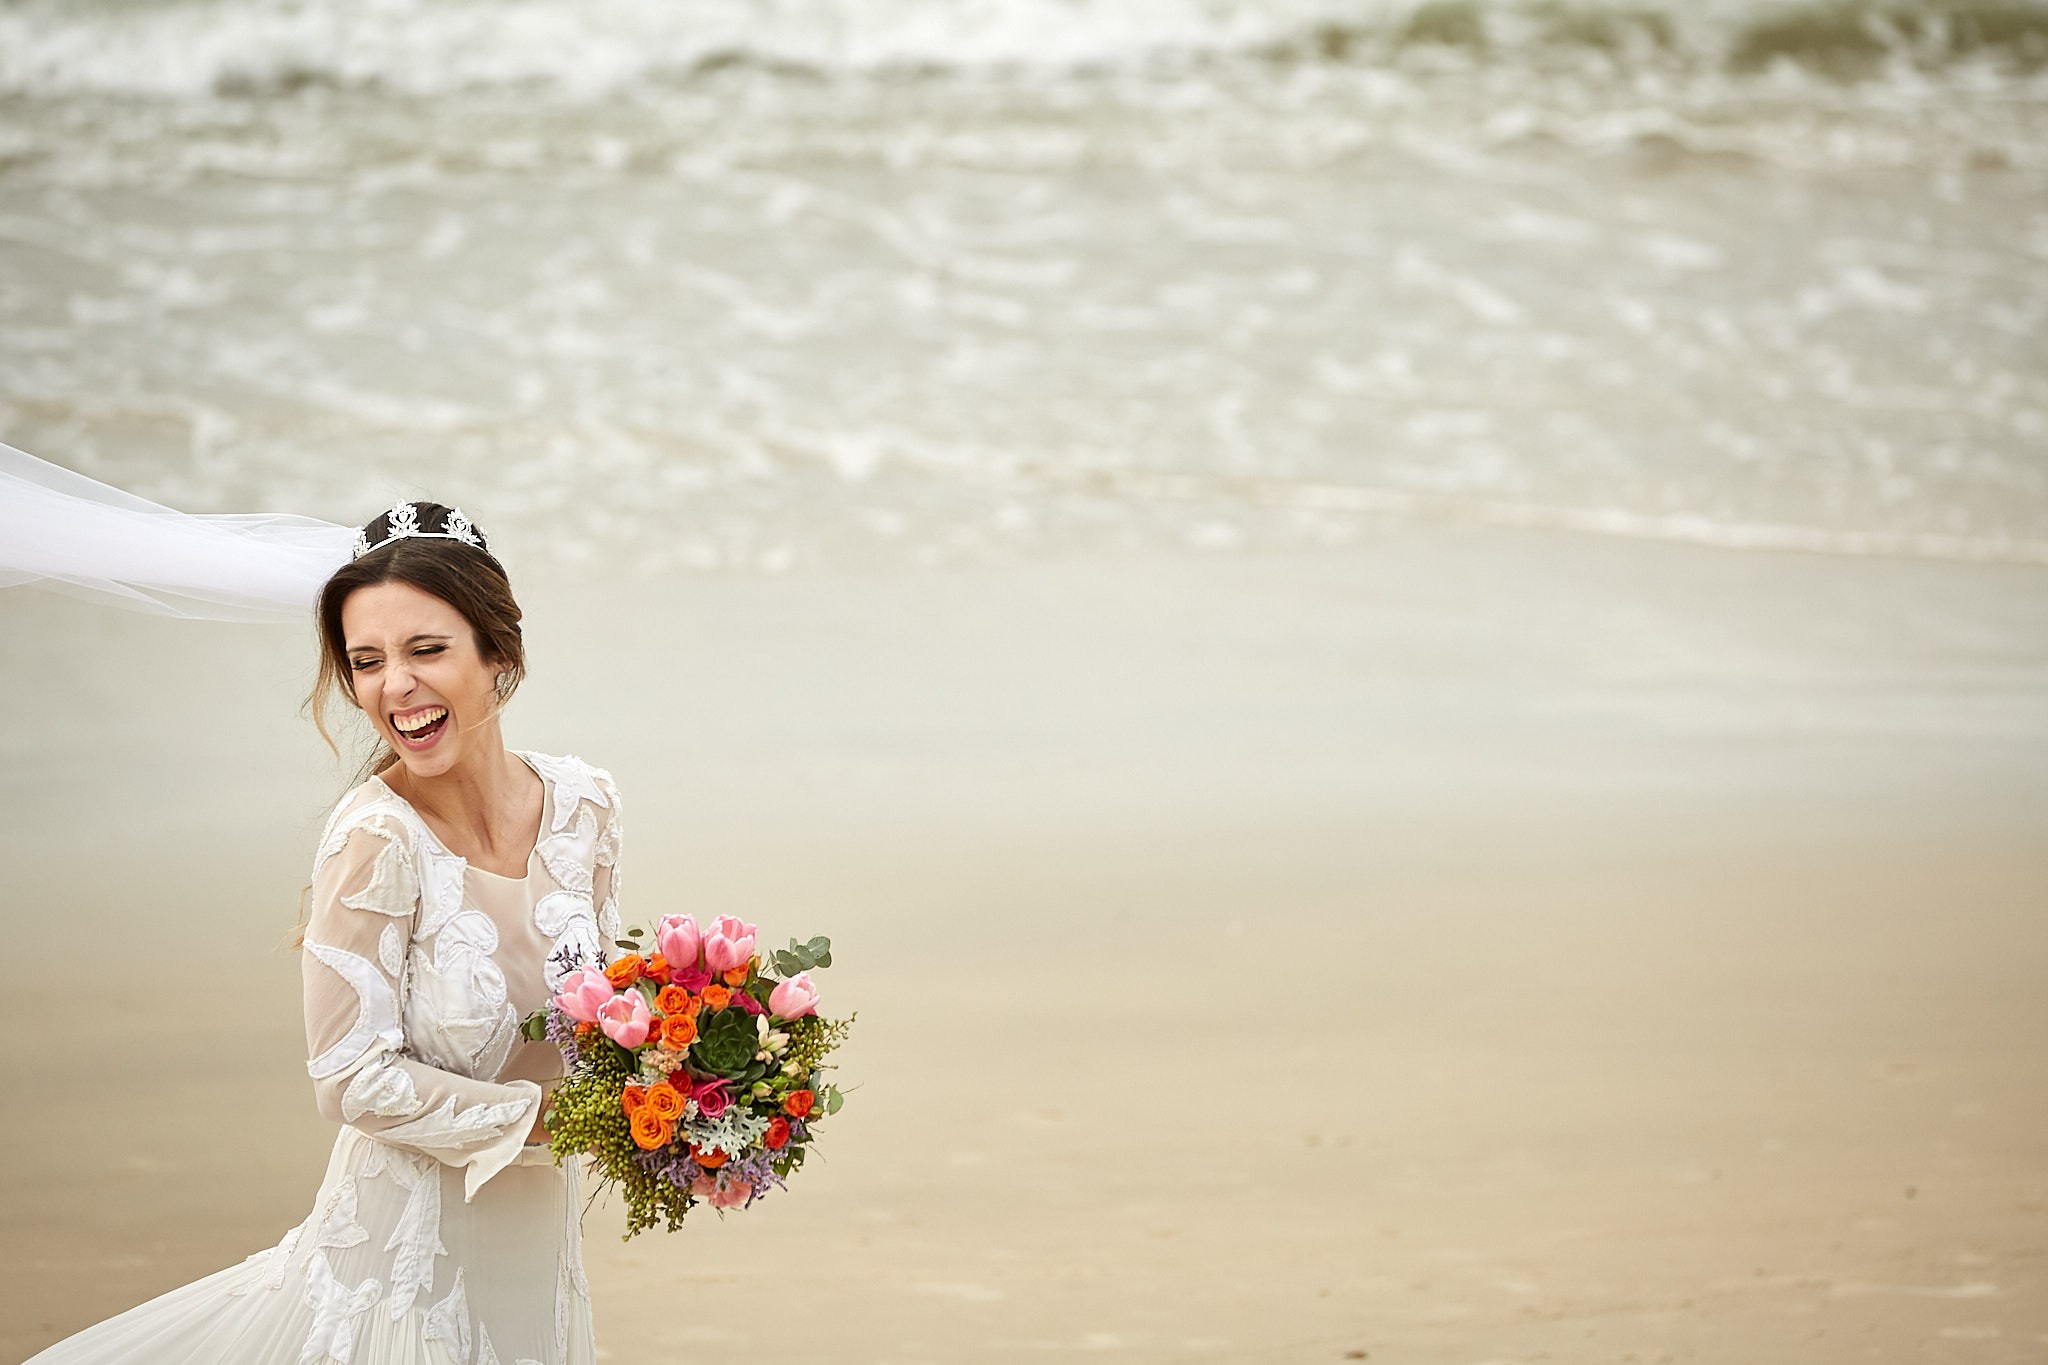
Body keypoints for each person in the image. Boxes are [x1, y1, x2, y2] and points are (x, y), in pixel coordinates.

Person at [24, 500, 616, 1365]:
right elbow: (351, 1078)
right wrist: (545, 1118)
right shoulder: (377, 838)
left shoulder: (584, 806)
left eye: (426, 649)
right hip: (405, 1265)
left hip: (539, 1249)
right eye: (366, 661)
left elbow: (603, 1006)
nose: (394, 687)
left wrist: (685, 1091)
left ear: (498, 651)